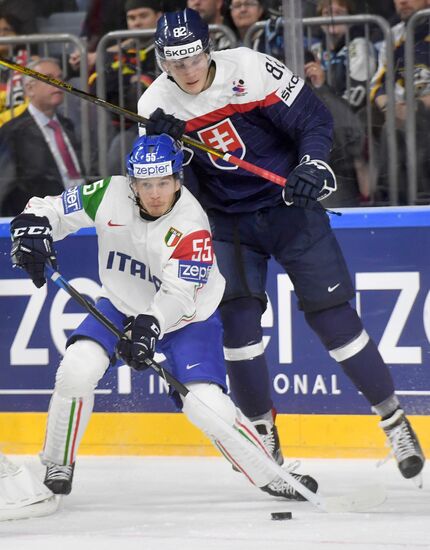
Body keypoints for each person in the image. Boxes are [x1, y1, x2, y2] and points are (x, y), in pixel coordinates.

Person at [137, 8, 425, 483]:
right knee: (239, 328)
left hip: (288, 205)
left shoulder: (250, 69)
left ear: (209, 48)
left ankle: (393, 419)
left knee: (334, 319)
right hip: (226, 223)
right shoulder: (155, 105)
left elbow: (313, 117)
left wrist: (312, 164)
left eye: (193, 58)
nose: (186, 71)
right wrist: (167, 149)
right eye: (175, 61)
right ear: (162, 59)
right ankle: (262, 431)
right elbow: (163, 188)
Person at [9, 133, 318, 501]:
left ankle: (270, 471)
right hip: (123, 305)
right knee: (77, 369)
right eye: (145, 184)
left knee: (208, 407)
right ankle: (57, 462)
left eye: (163, 183)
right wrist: (33, 223)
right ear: (132, 182)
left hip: (187, 321)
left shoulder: (192, 226)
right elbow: (54, 208)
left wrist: (151, 326)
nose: (154, 193)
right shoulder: (110, 192)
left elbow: (179, 296)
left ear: (177, 180)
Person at [0, 58, 85, 216]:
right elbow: (3, 185)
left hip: (80, 208)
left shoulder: (67, 125)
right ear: (30, 89)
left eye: (60, 77)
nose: (58, 82)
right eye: (49, 78)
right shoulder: (13, 131)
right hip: (41, 216)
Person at [370, 0, 430, 204]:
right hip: (401, 110)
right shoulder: (393, 35)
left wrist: (417, 106)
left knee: (415, 118)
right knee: (383, 123)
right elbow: (378, 85)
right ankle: (390, 197)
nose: (402, 1)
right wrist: (390, 107)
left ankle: (422, 196)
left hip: (422, 110)